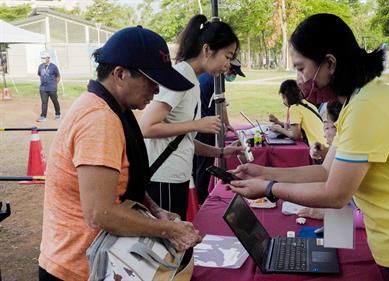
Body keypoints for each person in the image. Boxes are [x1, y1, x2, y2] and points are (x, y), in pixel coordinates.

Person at [229, 14, 389, 281]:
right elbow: (325, 172)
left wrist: (270, 189)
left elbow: (335, 194)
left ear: (329, 63)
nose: (300, 79)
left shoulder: (367, 106)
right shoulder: (357, 101)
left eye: (301, 68)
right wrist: (264, 172)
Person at [38, 26, 202, 281]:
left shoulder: (113, 109)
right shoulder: (99, 119)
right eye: (151, 81)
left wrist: (155, 209)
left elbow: (118, 183)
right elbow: (100, 213)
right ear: (120, 74)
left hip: (101, 261)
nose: (156, 91)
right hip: (77, 269)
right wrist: (168, 229)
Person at [139, 14, 242, 220]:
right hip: (162, 180)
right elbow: (146, 127)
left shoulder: (192, 79)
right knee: (170, 244)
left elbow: (184, 140)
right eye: (227, 56)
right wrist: (197, 124)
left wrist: (221, 152)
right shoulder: (181, 76)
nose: (227, 65)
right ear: (207, 50)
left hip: (176, 177)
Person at [193, 58, 245, 204]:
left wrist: (226, 123)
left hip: (199, 123)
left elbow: (220, 102)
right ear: (227, 67)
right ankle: (201, 200)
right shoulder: (217, 78)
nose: (231, 75)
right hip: (207, 126)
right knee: (205, 166)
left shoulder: (206, 76)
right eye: (233, 72)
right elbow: (221, 105)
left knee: (197, 165)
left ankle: (196, 197)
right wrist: (225, 123)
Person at [268, 79, 327, 147]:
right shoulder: (307, 104)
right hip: (324, 146)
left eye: (283, 97)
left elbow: (296, 135)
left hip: (316, 149)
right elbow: (296, 127)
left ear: (285, 96)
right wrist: (278, 122)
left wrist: (279, 129)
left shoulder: (294, 108)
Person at [37, 52, 61, 122]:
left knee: (55, 101)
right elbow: (39, 74)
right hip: (43, 88)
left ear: (48, 58)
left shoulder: (53, 67)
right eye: (42, 58)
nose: (43, 59)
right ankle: (43, 116)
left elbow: (58, 76)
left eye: (44, 58)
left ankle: (58, 114)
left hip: (52, 88)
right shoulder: (40, 66)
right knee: (44, 102)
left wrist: (54, 84)